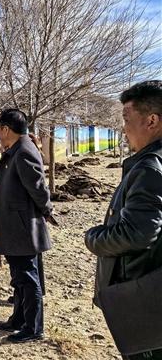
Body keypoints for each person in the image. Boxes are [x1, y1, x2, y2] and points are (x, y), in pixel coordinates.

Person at [85, 80, 162, 359]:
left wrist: (94, 238)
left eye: (126, 119)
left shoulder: (149, 168)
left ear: (151, 121)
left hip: (142, 296)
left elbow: (137, 233)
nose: (123, 128)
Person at [0, 109, 58, 343]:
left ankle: (33, 328)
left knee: (28, 278)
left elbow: (39, 188)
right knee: (19, 276)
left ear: (5, 129)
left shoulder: (23, 152)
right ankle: (19, 319)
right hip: (16, 226)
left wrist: (48, 210)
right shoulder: (17, 149)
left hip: (22, 227)